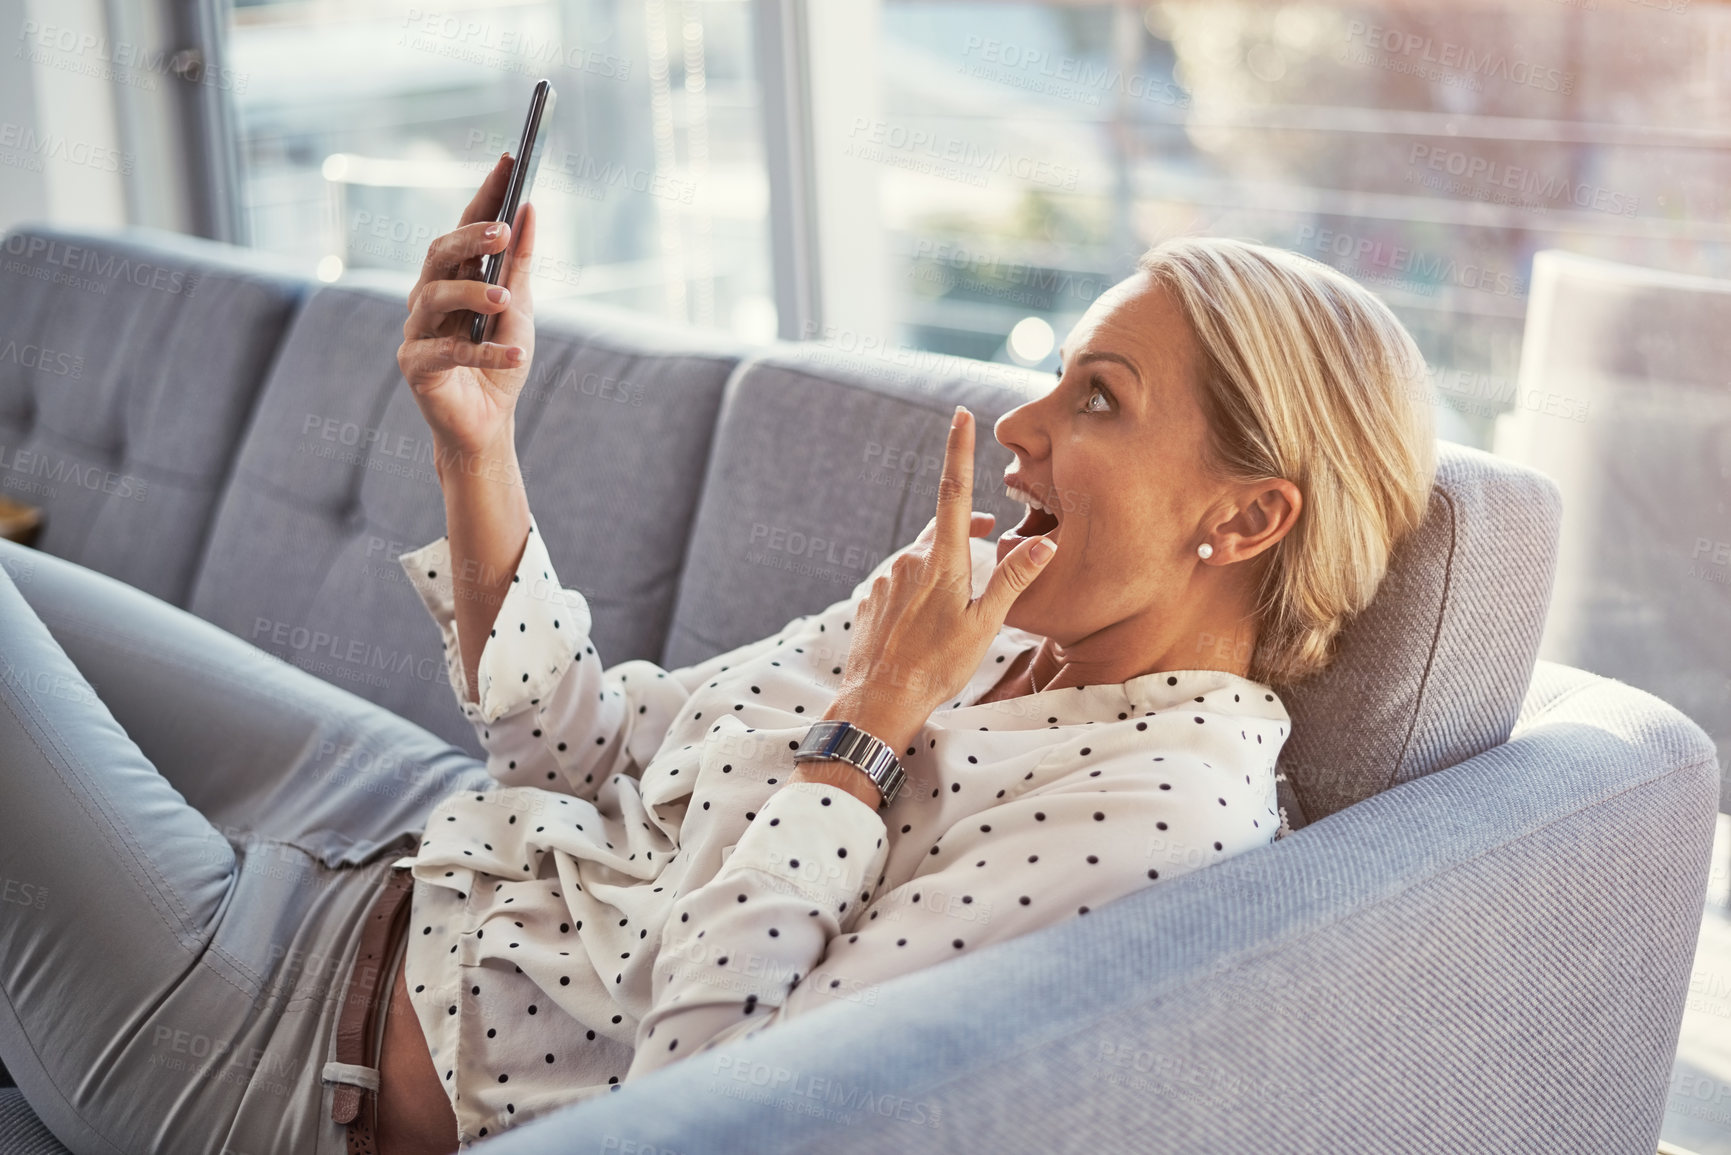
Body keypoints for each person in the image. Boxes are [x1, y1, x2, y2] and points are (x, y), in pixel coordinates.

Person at [0, 153, 1434, 1155]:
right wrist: (475, 448)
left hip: (297, 1043)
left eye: (1101, 401)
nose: (1023, 429)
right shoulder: (983, 614)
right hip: (397, 829)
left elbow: (701, 1106)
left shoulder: (1152, 819)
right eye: (1057, 374)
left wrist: (871, 727)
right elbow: (593, 749)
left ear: (1247, 515)